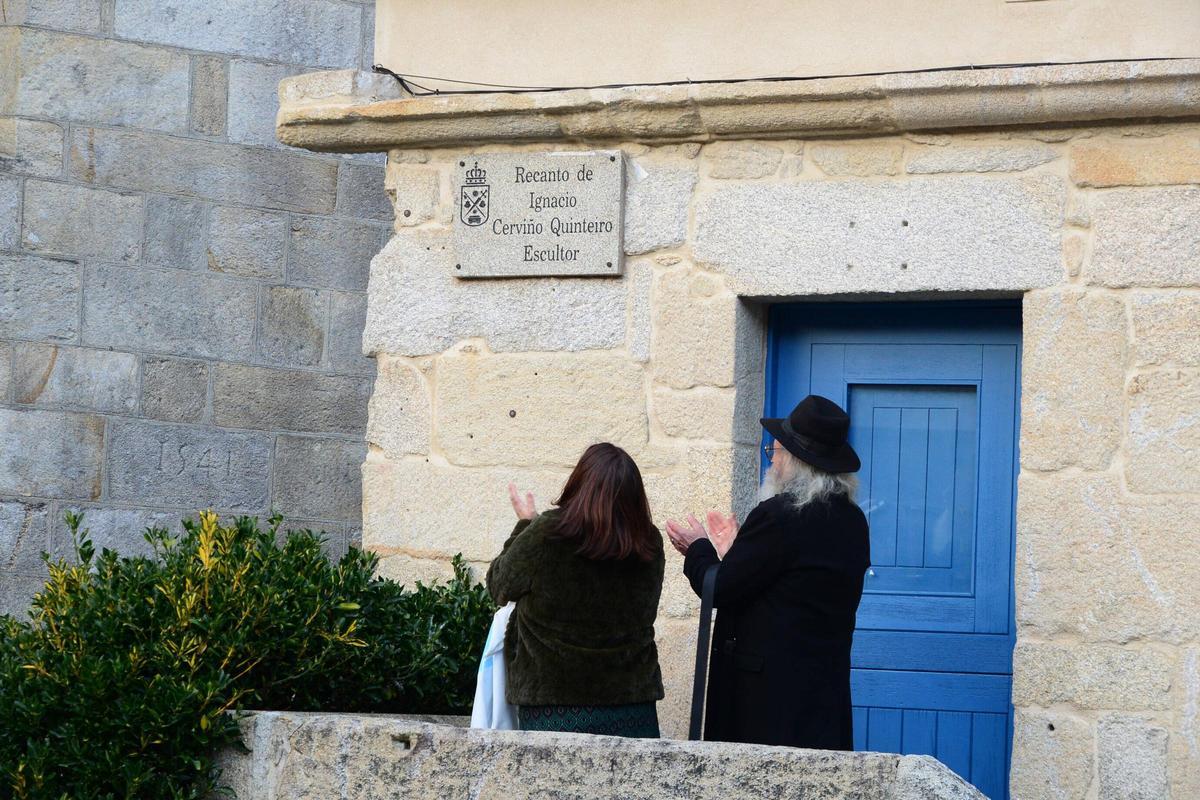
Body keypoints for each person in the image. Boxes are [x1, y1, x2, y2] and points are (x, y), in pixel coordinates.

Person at [665, 394, 870, 750]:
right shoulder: (853, 522)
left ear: (793, 461)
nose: (772, 460)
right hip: (822, 697)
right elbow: (790, 585)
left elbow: (723, 588)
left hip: (767, 703)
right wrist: (736, 553)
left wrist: (699, 548)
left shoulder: (779, 516)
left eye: (774, 451)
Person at [486, 442, 666, 737]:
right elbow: (644, 611)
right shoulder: (648, 542)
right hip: (633, 705)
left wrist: (524, 526)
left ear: (579, 482)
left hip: (554, 707)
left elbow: (499, 586)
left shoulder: (547, 533)